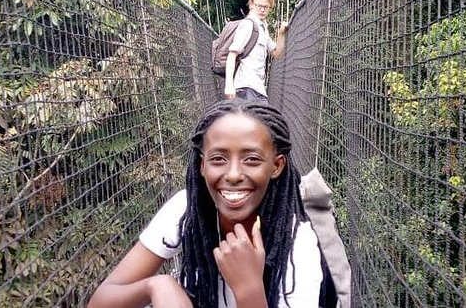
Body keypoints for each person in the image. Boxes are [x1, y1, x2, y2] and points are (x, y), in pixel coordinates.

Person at [87, 99, 323, 308]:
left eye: (251, 159)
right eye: (218, 159)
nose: (232, 175)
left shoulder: (296, 241)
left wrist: (249, 289)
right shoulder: (186, 210)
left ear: (277, 166)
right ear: (202, 166)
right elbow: (101, 301)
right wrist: (156, 285)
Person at [224, 0, 288, 102]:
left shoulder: (263, 28)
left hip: (258, 89)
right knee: (260, 119)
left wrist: (282, 33)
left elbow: (276, 53)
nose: (262, 10)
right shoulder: (248, 25)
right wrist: (229, 85)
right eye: (259, 6)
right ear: (252, 4)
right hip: (246, 88)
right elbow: (232, 55)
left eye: (266, 7)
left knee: (263, 119)